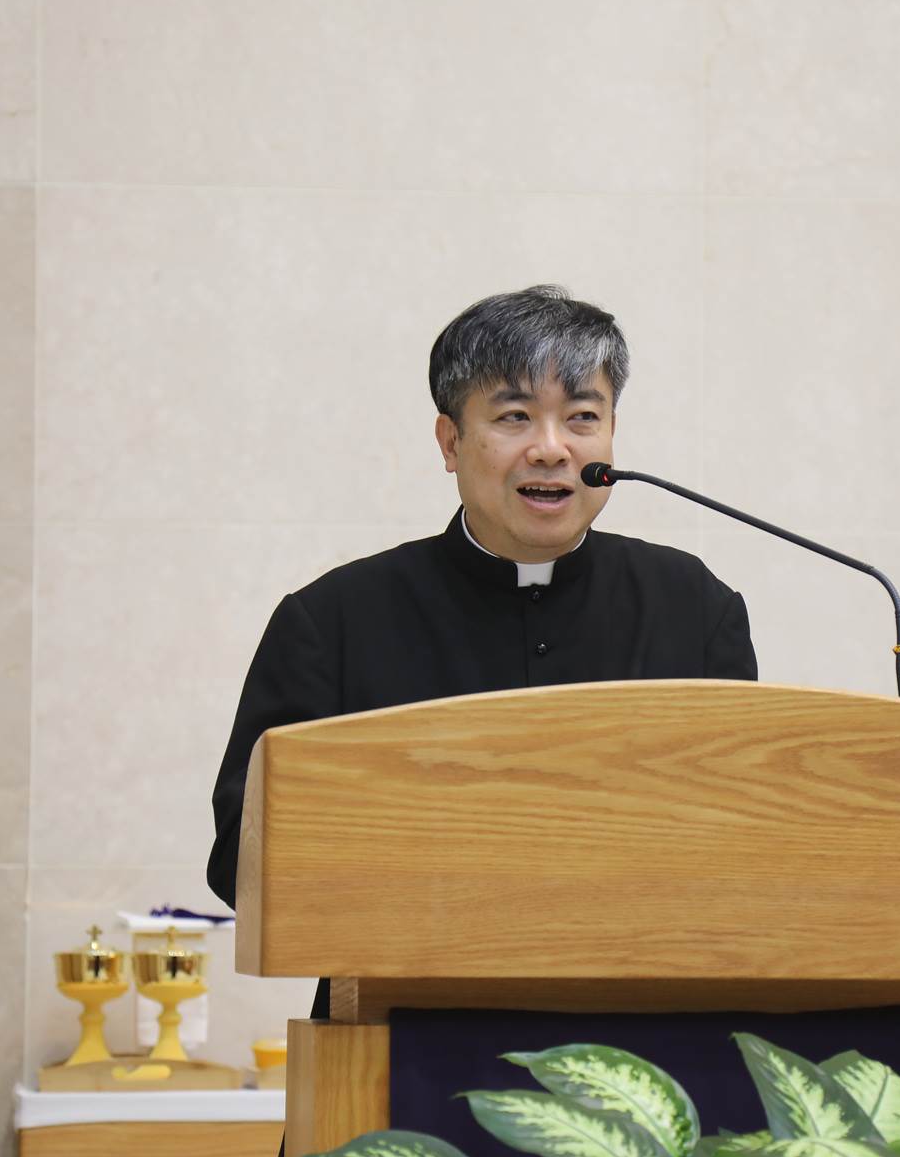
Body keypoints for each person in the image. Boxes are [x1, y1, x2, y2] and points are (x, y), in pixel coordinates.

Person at [205, 286, 757, 1013]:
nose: (552, 448)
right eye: (514, 416)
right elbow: (244, 857)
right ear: (450, 442)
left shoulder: (696, 608)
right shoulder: (332, 621)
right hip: (399, 1035)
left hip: (644, 1038)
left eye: (582, 417)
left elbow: (744, 841)